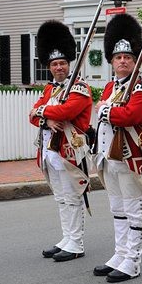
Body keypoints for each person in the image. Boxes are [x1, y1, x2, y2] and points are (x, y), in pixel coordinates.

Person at [92, 14, 142, 283]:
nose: (122, 61)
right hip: (109, 158)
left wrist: (107, 110)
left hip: (131, 158)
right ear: (112, 61)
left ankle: (133, 260)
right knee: (117, 208)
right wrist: (109, 109)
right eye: (118, 58)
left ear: (135, 60)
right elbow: (108, 111)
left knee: (134, 209)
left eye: (128, 57)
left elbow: (129, 116)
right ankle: (120, 253)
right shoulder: (110, 87)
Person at [29, 20, 92, 262]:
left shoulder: (80, 87)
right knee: (61, 197)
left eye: (63, 63)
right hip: (49, 152)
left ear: (69, 64)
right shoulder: (49, 90)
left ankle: (76, 243)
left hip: (69, 152)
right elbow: (34, 117)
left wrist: (41, 112)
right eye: (55, 64)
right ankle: (67, 238)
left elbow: (65, 113)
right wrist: (44, 118)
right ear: (49, 67)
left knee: (72, 196)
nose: (59, 67)